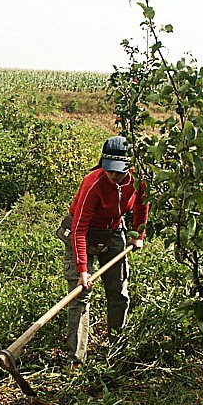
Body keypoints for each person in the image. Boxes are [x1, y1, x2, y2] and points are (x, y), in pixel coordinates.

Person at [63, 136, 149, 365]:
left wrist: (138, 235)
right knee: (80, 297)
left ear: (129, 166)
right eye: (109, 169)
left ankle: (116, 351)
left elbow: (142, 204)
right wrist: (83, 270)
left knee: (119, 293)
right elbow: (79, 229)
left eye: (119, 171)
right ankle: (76, 361)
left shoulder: (138, 179)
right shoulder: (92, 184)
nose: (113, 175)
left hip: (113, 231)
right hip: (84, 234)